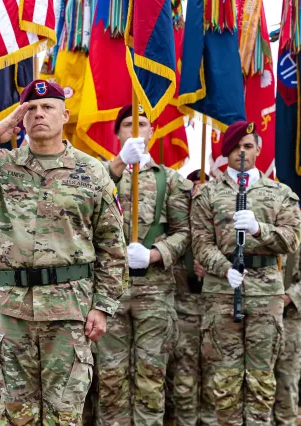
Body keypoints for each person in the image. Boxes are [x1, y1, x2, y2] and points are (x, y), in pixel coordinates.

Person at [0, 80, 127, 424]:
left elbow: (112, 245)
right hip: (14, 309)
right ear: (21, 118)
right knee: (16, 413)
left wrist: (104, 306)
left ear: (64, 115)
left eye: (48, 107)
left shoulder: (91, 171)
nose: (39, 114)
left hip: (69, 311)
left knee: (63, 414)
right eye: (31, 109)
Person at [191, 121, 301, 424]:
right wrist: (225, 269)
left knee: (261, 380)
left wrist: (258, 228)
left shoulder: (280, 193)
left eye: (248, 146)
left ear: (259, 149)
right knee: (225, 381)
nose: (242, 152)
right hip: (222, 292)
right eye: (236, 147)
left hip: (265, 294)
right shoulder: (207, 194)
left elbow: (291, 240)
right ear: (226, 151)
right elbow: (200, 243)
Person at [95, 104, 192, 425]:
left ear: (152, 131)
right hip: (111, 291)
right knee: (110, 377)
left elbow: (184, 233)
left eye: (143, 124)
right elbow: (85, 209)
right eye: (127, 124)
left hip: (154, 289)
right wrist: (121, 162)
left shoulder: (171, 180)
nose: (135, 129)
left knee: (151, 377)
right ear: (118, 133)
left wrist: (155, 254)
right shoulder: (102, 174)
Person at [165, 170, 209, 426]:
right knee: (183, 382)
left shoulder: (219, 227)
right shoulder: (178, 229)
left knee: (217, 383)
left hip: (217, 312)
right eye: (194, 192)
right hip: (184, 314)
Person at [273, 242, 301, 425]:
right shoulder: (260, 234)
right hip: (260, 318)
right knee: (260, 381)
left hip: (290, 320)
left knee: (287, 380)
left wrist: (291, 296)